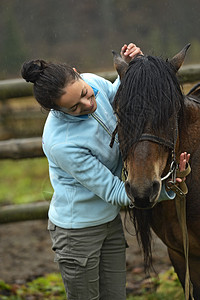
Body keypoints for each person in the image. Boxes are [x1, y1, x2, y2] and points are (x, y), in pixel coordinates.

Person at [21, 43, 190, 300]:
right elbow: (113, 190)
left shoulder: (93, 82)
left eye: (86, 94)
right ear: (56, 110)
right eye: (74, 108)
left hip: (109, 223)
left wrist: (138, 67)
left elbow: (124, 96)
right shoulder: (62, 143)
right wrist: (169, 188)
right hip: (78, 234)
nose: (88, 104)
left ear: (79, 75)